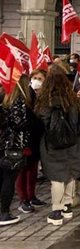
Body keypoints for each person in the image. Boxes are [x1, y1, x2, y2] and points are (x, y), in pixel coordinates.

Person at [35, 66, 80, 226]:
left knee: (56, 177)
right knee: (70, 174)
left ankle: (56, 211)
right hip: (74, 142)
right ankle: (67, 206)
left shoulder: (44, 99)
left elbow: (39, 122)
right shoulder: (72, 98)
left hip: (52, 144)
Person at [0, 76, 33, 225]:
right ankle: (4, 213)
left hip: (3, 143)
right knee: (9, 179)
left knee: (3, 177)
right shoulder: (17, 100)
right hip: (13, 144)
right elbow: (19, 123)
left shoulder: (3, 98)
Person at [15, 69, 48, 214]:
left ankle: (31, 195)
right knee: (22, 169)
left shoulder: (42, 95)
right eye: (34, 78)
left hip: (36, 138)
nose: (37, 81)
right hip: (24, 139)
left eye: (40, 78)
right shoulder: (24, 95)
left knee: (32, 169)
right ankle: (24, 199)